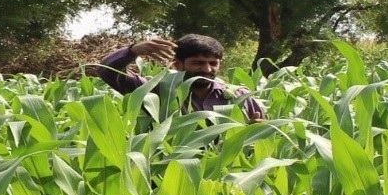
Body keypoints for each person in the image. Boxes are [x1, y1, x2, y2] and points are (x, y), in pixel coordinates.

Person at [96, 34, 265, 122]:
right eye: (198, 63)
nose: (207, 69)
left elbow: (263, 134)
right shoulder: (157, 92)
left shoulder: (239, 96)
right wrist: (133, 50)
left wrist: (254, 131)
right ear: (178, 64)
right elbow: (107, 72)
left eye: (213, 63)